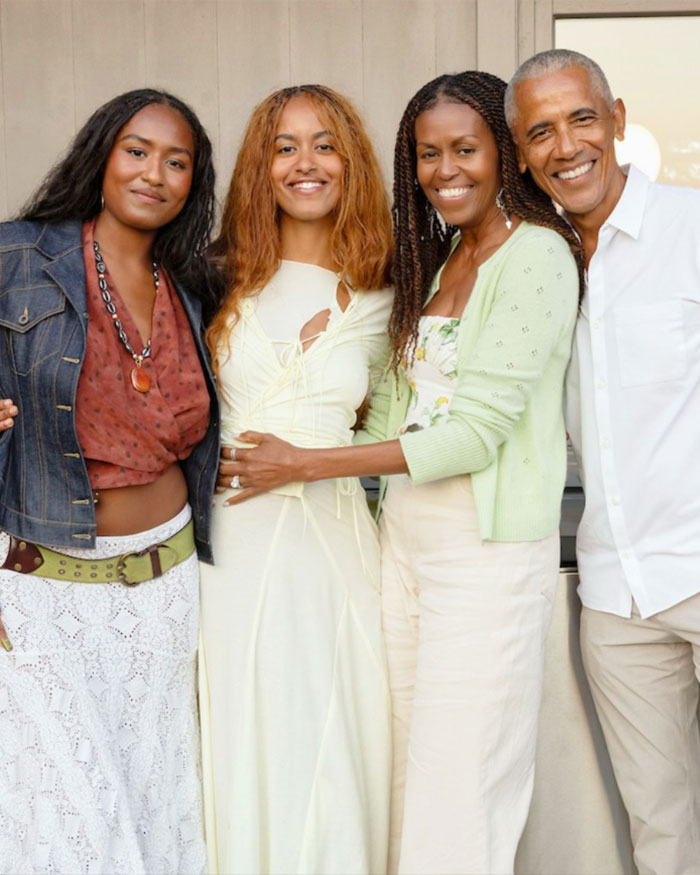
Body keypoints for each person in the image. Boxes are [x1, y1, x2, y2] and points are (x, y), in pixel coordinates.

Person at [218, 71, 581, 875]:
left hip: (483, 548)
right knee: (399, 776)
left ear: (507, 155)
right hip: (402, 542)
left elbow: (473, 434)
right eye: (427, 154)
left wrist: (307, 460)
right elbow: (394, 411)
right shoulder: (447, 257)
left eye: (465, 150)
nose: (446, 170)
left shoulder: (538, 255)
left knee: (460, 791)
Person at [0, 88, 220, 874]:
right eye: (137, 150)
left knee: (159, 807)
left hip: (166, 589)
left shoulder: (196, 283)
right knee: (68, 822)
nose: (154, 173)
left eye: (176, 161)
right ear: (101, 155)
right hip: (41, 591)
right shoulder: (17, 254)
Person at [506, 48, 700, 875]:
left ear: (618, 120)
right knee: (660, 827)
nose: (566, 145)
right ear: (521, 153)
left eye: (582, 118)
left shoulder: (691, 232)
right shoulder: (535, 267)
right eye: (540, 131)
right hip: (615, 597)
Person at [199, 84, 394, 875]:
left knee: (337, 725)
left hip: (336, 543)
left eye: (324, 144)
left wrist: (312, 460)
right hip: (233, 546)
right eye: (284, 145)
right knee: (246, 721)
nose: (305, 162)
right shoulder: (213, 279)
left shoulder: (392, 294)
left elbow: (406, 428)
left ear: (350, 162)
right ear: (260, 165)